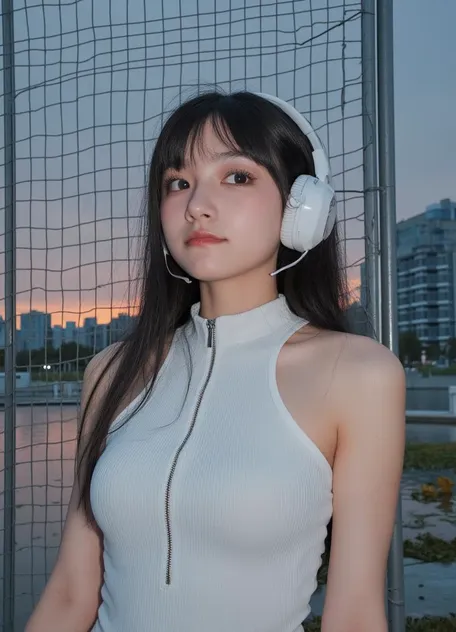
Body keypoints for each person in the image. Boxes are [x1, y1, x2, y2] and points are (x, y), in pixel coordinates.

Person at [26, 90, 406, 632]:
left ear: (303, 208)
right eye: (178, 182)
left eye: (236, 177)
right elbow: (69, 593)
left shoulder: (358, 374)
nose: (196, 204)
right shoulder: (111, 371)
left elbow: (354, 613)